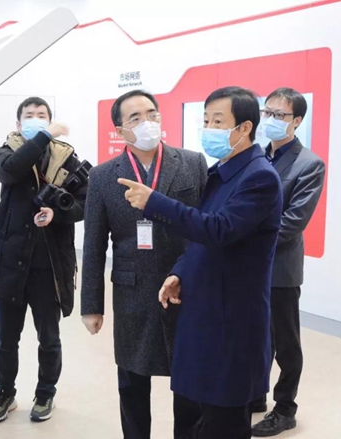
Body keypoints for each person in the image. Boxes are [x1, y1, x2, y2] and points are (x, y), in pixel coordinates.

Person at [119, 86, 283, 439]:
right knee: (189, 417)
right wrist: (179, 272)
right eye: (206, 120)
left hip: (231, 322)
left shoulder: (259, 177)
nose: (209, 128)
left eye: (218, 121)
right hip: (200, 314)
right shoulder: (221, 172)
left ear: (244, 128)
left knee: (223, 421)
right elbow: (201, 238)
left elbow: (218, 229)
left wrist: (154, 202)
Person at [80, 89, 208, 438]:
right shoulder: (103, 176)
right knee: (132, 380)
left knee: (189, 380)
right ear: (120, 130)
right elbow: (94, 244)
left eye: (152, 114)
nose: (147, 122)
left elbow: (205, 228)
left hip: (185, 285)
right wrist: (91, 305)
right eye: (135, 118)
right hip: (132, 290)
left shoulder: (192, 163)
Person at [0, 97, 88, 423]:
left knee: (49, 338)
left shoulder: (67, 159)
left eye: (41, 116)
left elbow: (84, 204)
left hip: (49, 266)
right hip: (10, 261)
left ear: (50, 119)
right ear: (18, 125)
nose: (35, 119)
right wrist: (44, 136)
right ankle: (5, 393)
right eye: (29, 116)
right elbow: (11, 172)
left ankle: (45, 393)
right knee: (5, 339)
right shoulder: (6, 152)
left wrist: (58, 213)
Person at [250, 88, 326, 437]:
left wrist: (244, 238)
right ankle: (255, 394)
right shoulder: (255, 156)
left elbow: (293, 222)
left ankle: (285, 409)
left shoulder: (308, 164)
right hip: (248, 268)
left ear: (296, 121)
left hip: (280, 268)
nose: (270, 120)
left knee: (286, 342)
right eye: (267, 112)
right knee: (255, 337)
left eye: (279, 115)